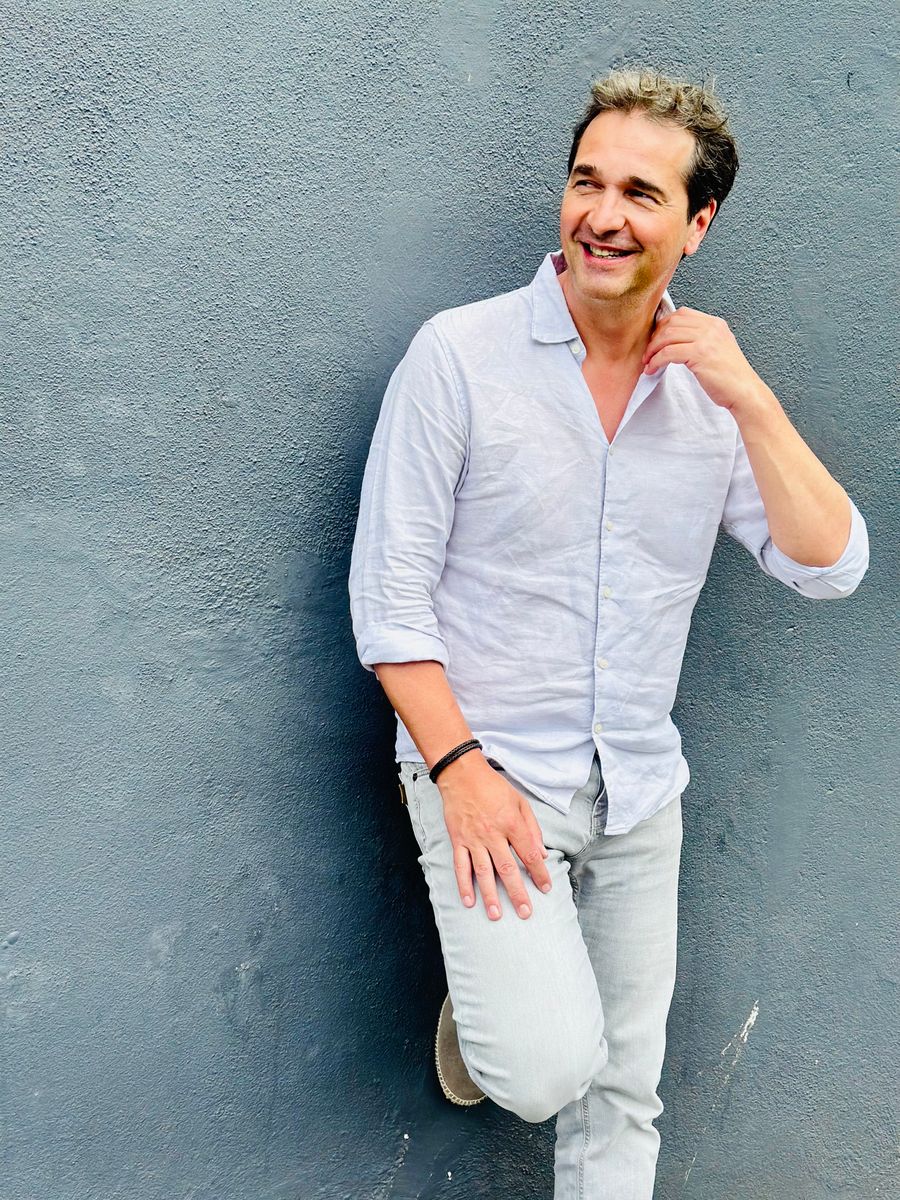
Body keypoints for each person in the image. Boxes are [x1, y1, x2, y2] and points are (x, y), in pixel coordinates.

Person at [348, 67, 869, 1198]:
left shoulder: (711, 398)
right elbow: (389, 603)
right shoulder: (460, 357)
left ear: (698, 223)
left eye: (641, 193)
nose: (603, 215)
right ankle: (508, 1009)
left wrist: (753, 400)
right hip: (487, 771)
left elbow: (832, 565)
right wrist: (459, 771)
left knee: (626, 1094)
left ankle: (521, 993)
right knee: (547, 1070)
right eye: (587, 182)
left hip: (638, 788)